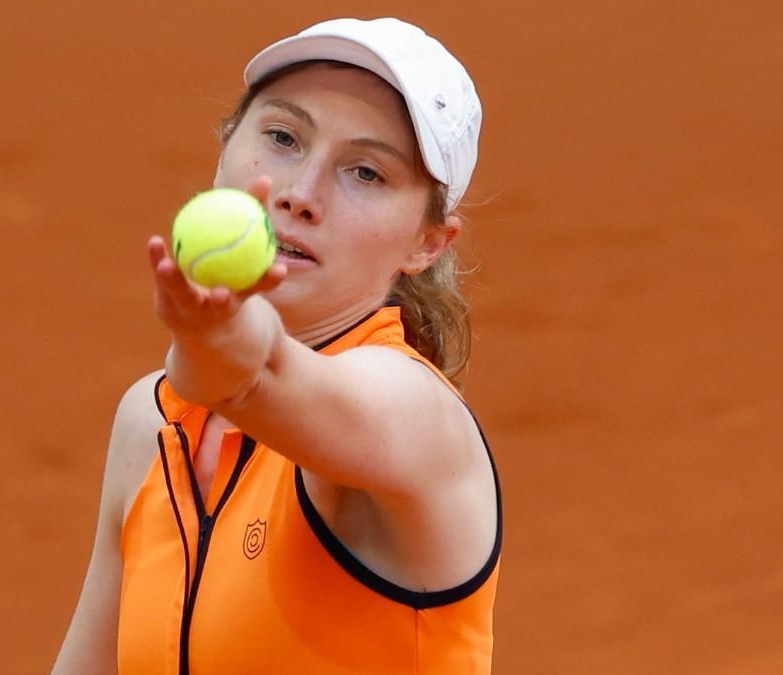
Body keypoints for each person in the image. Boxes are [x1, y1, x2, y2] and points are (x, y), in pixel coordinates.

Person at [53, 17, 501, 674]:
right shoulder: (148, 426)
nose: (301, 194)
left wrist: (223, 337)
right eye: (284, 137)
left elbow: (259, 376)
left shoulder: (415, 420)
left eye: (367, 173)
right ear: (225, 149)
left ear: (426, 244)